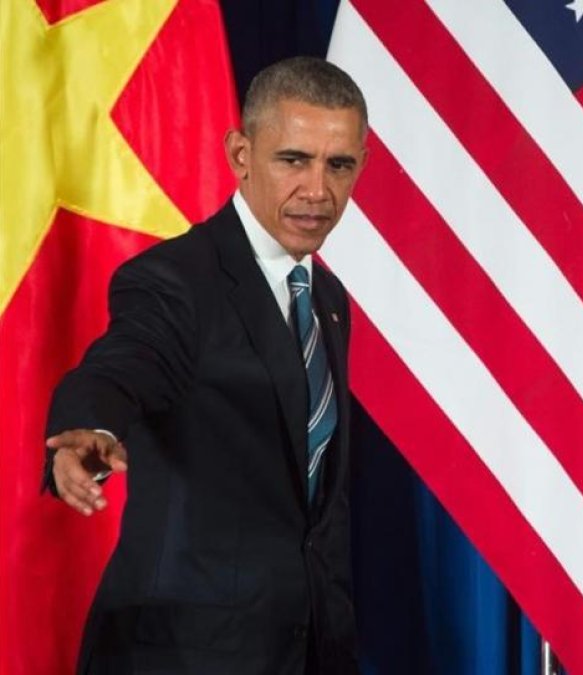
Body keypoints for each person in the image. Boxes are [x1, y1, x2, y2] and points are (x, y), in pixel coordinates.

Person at [43, 56, 367, 674]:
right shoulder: (174, 280)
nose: (318, 190)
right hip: (185, 654)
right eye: (293, 159)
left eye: (339, 164)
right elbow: (125, 362)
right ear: (241, 153)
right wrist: (93, 428)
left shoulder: (326, 301)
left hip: (309, 651)